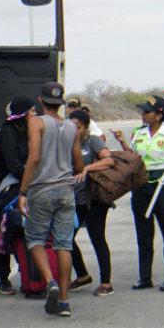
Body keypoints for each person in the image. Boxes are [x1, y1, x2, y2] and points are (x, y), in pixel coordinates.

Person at [17, 81, 84, 317]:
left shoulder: (36, 123)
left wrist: (23, 192)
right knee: (63, 244)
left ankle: (50, 282)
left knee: (35, 239)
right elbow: (78, 163)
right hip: (66, 191)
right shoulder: (71, 127)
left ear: (41, 100)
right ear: (61, 103)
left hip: (41, 190)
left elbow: (33, 158)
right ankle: (64, 301)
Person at [113, 96, 164, 292]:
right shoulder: (138, 134)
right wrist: (123, 143)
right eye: (142, 111)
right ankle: (145, 277)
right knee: (144, 234)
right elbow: (133, 158)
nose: (143, 115)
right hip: (141, 187)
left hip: (162, 187)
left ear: (158, 115)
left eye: (147, 112)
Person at [0, 96, 35, 295]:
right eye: (32, 112)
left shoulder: (27, 132)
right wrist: (35, 176)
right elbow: (13, 164)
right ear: (23, 115)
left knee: (21, 228)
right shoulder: (7, 133)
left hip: (18, 187)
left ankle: (28, 273)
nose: (35, 115)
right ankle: (3, 277)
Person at [67, 109, 116, 296]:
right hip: (75, 199)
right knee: (66, 238)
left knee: (97, 237)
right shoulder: (67, 143)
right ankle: (82, 275)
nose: (74, 131)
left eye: (78, 128)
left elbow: (109, 161)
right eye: (71, 127)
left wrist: (87, 168)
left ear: (86, 127)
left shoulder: (92, 141)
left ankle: (106, 282)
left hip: (94, 199)